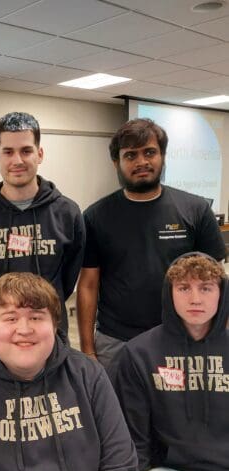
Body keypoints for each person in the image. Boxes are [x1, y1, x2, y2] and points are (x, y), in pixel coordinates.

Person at [0, 272, 144, 471]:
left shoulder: (89, 375)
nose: (24, 329)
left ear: (55, 325)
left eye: (36, 317)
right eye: (11, 318)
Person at [77, 118, 226, 370]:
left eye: (149, 152)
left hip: (182, 336)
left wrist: (219, 338)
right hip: (116, 343)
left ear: (163, 156)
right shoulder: (96, 216)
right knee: (117, 410)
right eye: (130, 155)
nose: (141, 162)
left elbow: (217, 281)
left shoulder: (196, 210)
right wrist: (88, 350)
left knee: (177, 410)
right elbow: (88, 286)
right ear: (117, 162)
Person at [0, 111, 85, 354]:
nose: (17, 160)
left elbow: (67, 280)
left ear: (40, 154)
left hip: (49, 339)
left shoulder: (67, 213)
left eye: (26, 151)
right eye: (8, 152)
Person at [112, 253, 229, 471]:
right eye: (184, 287)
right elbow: (133, 433)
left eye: (206, 288)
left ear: (222, 294)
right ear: (169, 292)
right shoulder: (139, 354)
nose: (195, 299)